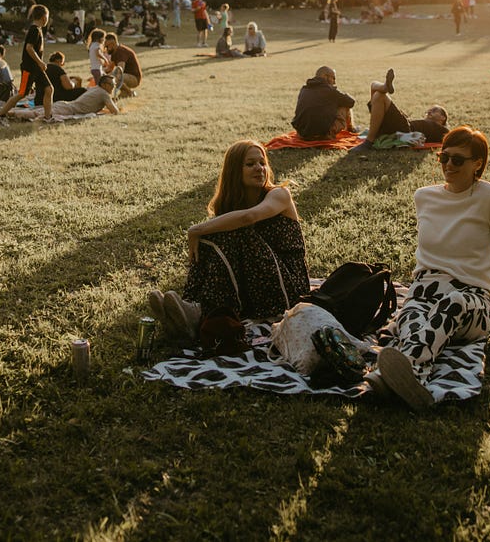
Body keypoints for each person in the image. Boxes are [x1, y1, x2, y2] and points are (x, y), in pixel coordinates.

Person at [370, 126, 490, 410]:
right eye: (444, 157)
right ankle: (412, 379)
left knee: (453, 303)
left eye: (458, 159)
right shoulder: (424, 197)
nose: (448, 165)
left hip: (470, 300)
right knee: (411, 319)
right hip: (424, 290)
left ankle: (403, 373)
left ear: (477, 164)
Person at [153, 140, 309, 341]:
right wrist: (202, 234)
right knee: (212, 235)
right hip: (254, 285)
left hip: (288, 286)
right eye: (250, 164)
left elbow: (249, 217)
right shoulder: (231, 205)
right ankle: (191, 305)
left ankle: (198, 313)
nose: (259, 168)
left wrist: (196, 230)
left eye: (262, 163)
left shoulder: (279, 194)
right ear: (235, 171)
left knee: (231, 230)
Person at [353, 68, 449, 148]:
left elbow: (451, 137)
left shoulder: (442, 130)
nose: (430, 110)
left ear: (443, 118)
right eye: (430, 109)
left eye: (435, 110)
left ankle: (369, 141)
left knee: (379, 95)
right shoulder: (427, 124)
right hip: (400, 126)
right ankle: (385, 87)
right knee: (374, 86)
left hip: (405, 129)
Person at [0, 5, 55, 121]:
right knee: (22, 93)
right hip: (29, 68)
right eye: (47, 17)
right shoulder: (34, 30)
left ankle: (48, 117)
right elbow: (29, 47)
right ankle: (0, 115)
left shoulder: (38, 30)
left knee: (49, 89)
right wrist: (40, 62)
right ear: (44, 17)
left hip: (37, 69)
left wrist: (39, 64)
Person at [3, 76, 120, 121]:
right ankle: (4, 113)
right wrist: (115, 106)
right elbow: (115, 111)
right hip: (68, 109)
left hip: (66, 105)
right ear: (104, 85)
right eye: (112, 85)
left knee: (35, 111)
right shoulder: (103, 93)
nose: (113, 87)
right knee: (35, 114)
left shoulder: (96, 89)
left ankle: (4, 112)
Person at [291, 66, 355, 139]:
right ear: (325, 77)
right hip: (321, 136)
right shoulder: (330, 91)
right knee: (344, 105)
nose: (334, 82)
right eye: (333, 78)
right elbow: (351, 102)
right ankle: (351, 130)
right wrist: (345, 95)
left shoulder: (304, 89)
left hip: (301, 134)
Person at [103, 32, 142, 96]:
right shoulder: (114, 52)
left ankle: (130, 93)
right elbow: (110, 68)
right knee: (122, 96)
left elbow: (120, 70)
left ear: (113, 43)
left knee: (115, 78)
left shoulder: (121, 51)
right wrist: (100, 72)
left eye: (107, 46)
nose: (106, 49)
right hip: (126, 76)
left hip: (134, 78)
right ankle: (126, 93)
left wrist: (107, 77)